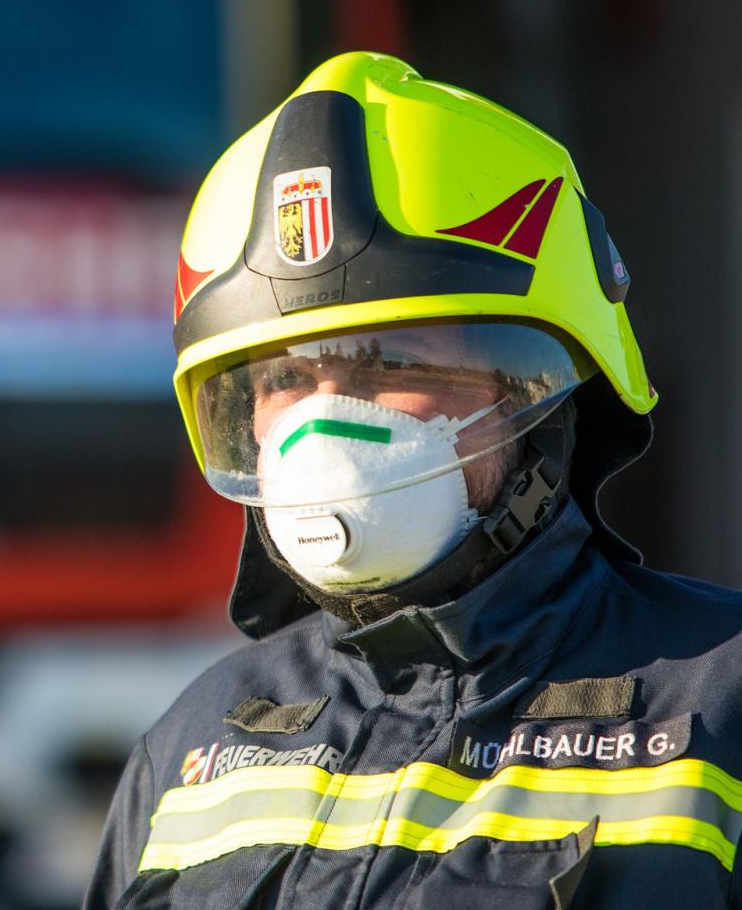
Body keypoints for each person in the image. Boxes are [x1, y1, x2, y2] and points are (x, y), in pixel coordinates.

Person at [84, 51, 742, 908]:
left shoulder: (716, 705)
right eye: (284, 378)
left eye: (391, 361)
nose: (324, 427)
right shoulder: (190, 747)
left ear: (540, 397)